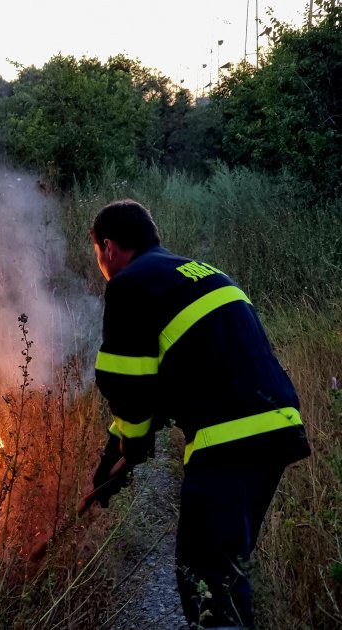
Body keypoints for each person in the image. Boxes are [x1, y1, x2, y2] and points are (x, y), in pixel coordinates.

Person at [84, 199, 311, 629]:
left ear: (108, 247)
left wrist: (131, 447)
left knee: (207, 579)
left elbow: (126, 384)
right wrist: (113, 455)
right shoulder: (204, 274)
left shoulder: (129, 284)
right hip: (278, 428)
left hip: (228, 441)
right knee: (226, 570)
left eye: (97, 252)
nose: (101, 263)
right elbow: (166, 383)